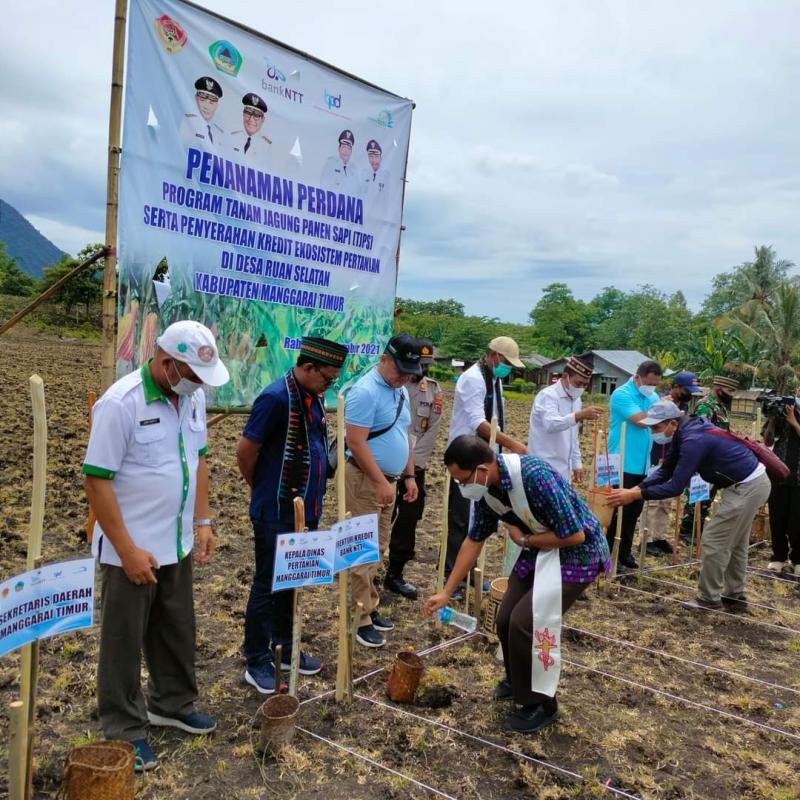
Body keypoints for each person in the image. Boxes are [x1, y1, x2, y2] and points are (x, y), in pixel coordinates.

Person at [82, 321, 229, 771]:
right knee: (124, 640)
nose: (199, 385)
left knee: (176, 627)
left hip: (178, 540)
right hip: (131, 548)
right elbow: (97, 481)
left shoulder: (193, 398)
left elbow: (199, 459)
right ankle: (124, 727)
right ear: (167, 363)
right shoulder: (120, 404)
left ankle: (172, 703)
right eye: (192, 375)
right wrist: (126, 550)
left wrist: (202, 521)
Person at [424, 436, 610, 733]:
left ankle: (542, 704)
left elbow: (576, 535)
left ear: (482, 469)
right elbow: (474, 540)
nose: (462, 488)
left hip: (577, 557)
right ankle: (517, 679)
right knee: (505, 616)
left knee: (527, 622)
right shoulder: (487, 491)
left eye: (463, 481)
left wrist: (525, 540)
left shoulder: (535, 477)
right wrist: (447, 591)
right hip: (540, 550)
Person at [236, 337, 348, 693]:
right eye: (327, 378)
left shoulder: (314, 398)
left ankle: (283, 648)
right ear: (308, 367)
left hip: (306, 510)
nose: (330, 384)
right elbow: (246, 450)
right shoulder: (276, 398)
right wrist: (263, 487)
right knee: (268, 583)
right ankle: (256, 659)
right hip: (275, 510)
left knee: (291, 580)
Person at [607, 400, 771, 611]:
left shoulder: (693, 439)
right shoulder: (685, 431)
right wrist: (637, 487)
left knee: (713, 541)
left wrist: (637, 494)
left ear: (672, 423)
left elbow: (676, 486)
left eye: (656, 427)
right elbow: (666, 469)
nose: (653, 432)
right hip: (745, 484)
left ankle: (709, 599)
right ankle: (735, 596)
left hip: (747, 486)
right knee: (736, 543)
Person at [345, 335, 421, 647]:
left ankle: (370, 604)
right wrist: (378, 481)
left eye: (409, 371)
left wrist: (409, 475)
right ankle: (358, 616)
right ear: (384, 359)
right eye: (399, 369)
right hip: (365, 480)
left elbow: (404, 434)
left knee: (378, 547)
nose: (404, 376)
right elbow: (356, 442)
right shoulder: (365, 392)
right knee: (360, 549)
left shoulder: (399, 390)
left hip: (389, 479)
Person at [445, 337, 528, 596]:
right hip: (466, 457)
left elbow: (494, 420)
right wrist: (513, 443)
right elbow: (479, 423)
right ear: (492, 355)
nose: (507, 368)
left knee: (478, 518)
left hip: (485, 458)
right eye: (504, 362)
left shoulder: (495, 379)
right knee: (460, 518)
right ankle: (452, 576)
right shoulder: (472, 379)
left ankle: (469, 573)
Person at [384, 339, 443, 599]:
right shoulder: (392, 386)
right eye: (420, 363)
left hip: (414, 466)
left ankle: (395, 573)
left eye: (427, 364)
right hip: (386, 465)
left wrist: (412, 466)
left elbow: (431, 431)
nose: (423, 369)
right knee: (377, 517)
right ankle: (365, 568)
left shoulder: (433, 391)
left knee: (408, 520)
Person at [606, 359, 662, 569]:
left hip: (642, 463)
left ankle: (625, 553)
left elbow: (657, 420)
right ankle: (610, 556)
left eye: (656, 384)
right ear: (637, 377)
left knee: (634, 511)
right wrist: (661, 413)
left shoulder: (652, 396)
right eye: (649, 382)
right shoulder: (622, 394)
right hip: (621, 462)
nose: (652, 388)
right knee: (617, 511)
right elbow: (640, 420)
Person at [642, 371, 703, 556]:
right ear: (675, 387)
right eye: (686, 389)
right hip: (656, 454)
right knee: (653, 500)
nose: (689, 394)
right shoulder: (660, 404)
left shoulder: (684, 406)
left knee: (665, 502)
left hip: (672, 454)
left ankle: (659, 537)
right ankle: (646, 539)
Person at [680, 374, 737, 542]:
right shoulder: (705, 405)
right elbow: (699, 432)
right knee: (697, 493)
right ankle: (687, 531)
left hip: (716, 459)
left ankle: (698, 529)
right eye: (729, 390)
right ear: (719, 389)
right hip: (704, 458)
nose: (732, 394)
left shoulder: (722, 406)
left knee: (708, 495)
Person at [527, 355, 602, 483]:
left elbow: (573, 435)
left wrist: (576, 462)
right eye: (578, 383)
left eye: (585, 385)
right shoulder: (548, 396)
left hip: (564, 469)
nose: (581, 388)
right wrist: (580, 415)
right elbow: (551, 424)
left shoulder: (576, 399)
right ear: (565, 376)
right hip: (544, 467)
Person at [762, 402, 800, 576]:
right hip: (778, 476)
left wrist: (794, 422)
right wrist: (772, 418)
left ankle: (797, 559)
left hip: (799, 478)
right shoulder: (782, 413)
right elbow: (768, 439)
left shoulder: (791, 418)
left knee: (796, 521)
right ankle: (778, 556)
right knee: (777, 518)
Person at [180, 76, 226, 153]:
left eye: (212, 102)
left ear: (217, 105)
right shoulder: (185, 123)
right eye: (202, 100)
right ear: (196, 98)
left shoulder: (220, 133)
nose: (206, 107)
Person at [229, 93, 272, 165]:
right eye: (248, 113)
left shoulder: (267, 146)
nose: (251, 119)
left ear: (263, 119)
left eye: (256, 115)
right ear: (243, 114)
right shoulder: (232, 136)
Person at [320, 129, 361, 195]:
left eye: (348, 148)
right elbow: (323, 186)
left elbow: (358, 192)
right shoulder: (331, 164)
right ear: (339, 149)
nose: (346, 151)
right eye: (343, 147)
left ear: (351, 151)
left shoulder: (353, 169)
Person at [361, 139, 390, 205]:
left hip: (380, 214)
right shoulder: (364, 174)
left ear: (381, 158)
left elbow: (390, 200)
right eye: (371, 157)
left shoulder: (386, 176)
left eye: (376, 157)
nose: (374, 160)